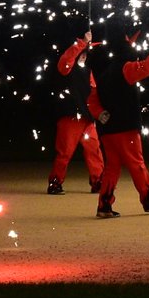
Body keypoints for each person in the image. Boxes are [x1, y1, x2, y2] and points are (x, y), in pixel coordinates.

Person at [85, 21, 149, 218]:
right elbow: (147, 67)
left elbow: (92, 98)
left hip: (108, 129)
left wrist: (100, 114)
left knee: (112, 168)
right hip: (125, 127)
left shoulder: (105, 73)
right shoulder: (125, 68)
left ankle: (104, 205)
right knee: (136, 163)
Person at [47, 28, 104, 195]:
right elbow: (66, 60)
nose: (84, 55)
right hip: (70, 116)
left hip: (87, 117)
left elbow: (94, 92)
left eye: (86, 52)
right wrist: (82, 43)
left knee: (94, 149)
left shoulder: (88, 71)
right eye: (82, 52)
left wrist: (98, 111)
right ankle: (55, 182)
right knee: (65, 152)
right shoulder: (67, 69)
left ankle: (97, 181)